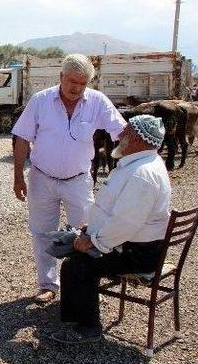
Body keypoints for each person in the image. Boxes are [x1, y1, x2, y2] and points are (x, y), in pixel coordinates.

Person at [12, 54, 126, 304]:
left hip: (78, 180)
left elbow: (121, 133)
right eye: (72, 81)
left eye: (82, 83)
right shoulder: (40, 101)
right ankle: (48, 285)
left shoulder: (97, 102)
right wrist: (18, 175)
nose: (76, 88)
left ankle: (82, 287)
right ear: (61, 77)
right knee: (42, 232)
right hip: (42, 178)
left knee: (87, 233)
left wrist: (136, 163)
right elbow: (22, 138)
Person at [51, 115, 171, 343]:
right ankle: (73, 318)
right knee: (71, 253)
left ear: (136, 139)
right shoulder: (142, 164)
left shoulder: (141, 174)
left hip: (138, 255)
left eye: (124, 132)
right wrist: (92, 229)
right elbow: (121, 214)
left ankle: (88, 327)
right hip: (134, 245)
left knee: (78, 264)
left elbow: (126, 222)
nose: (119, 136)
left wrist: (94, 241)